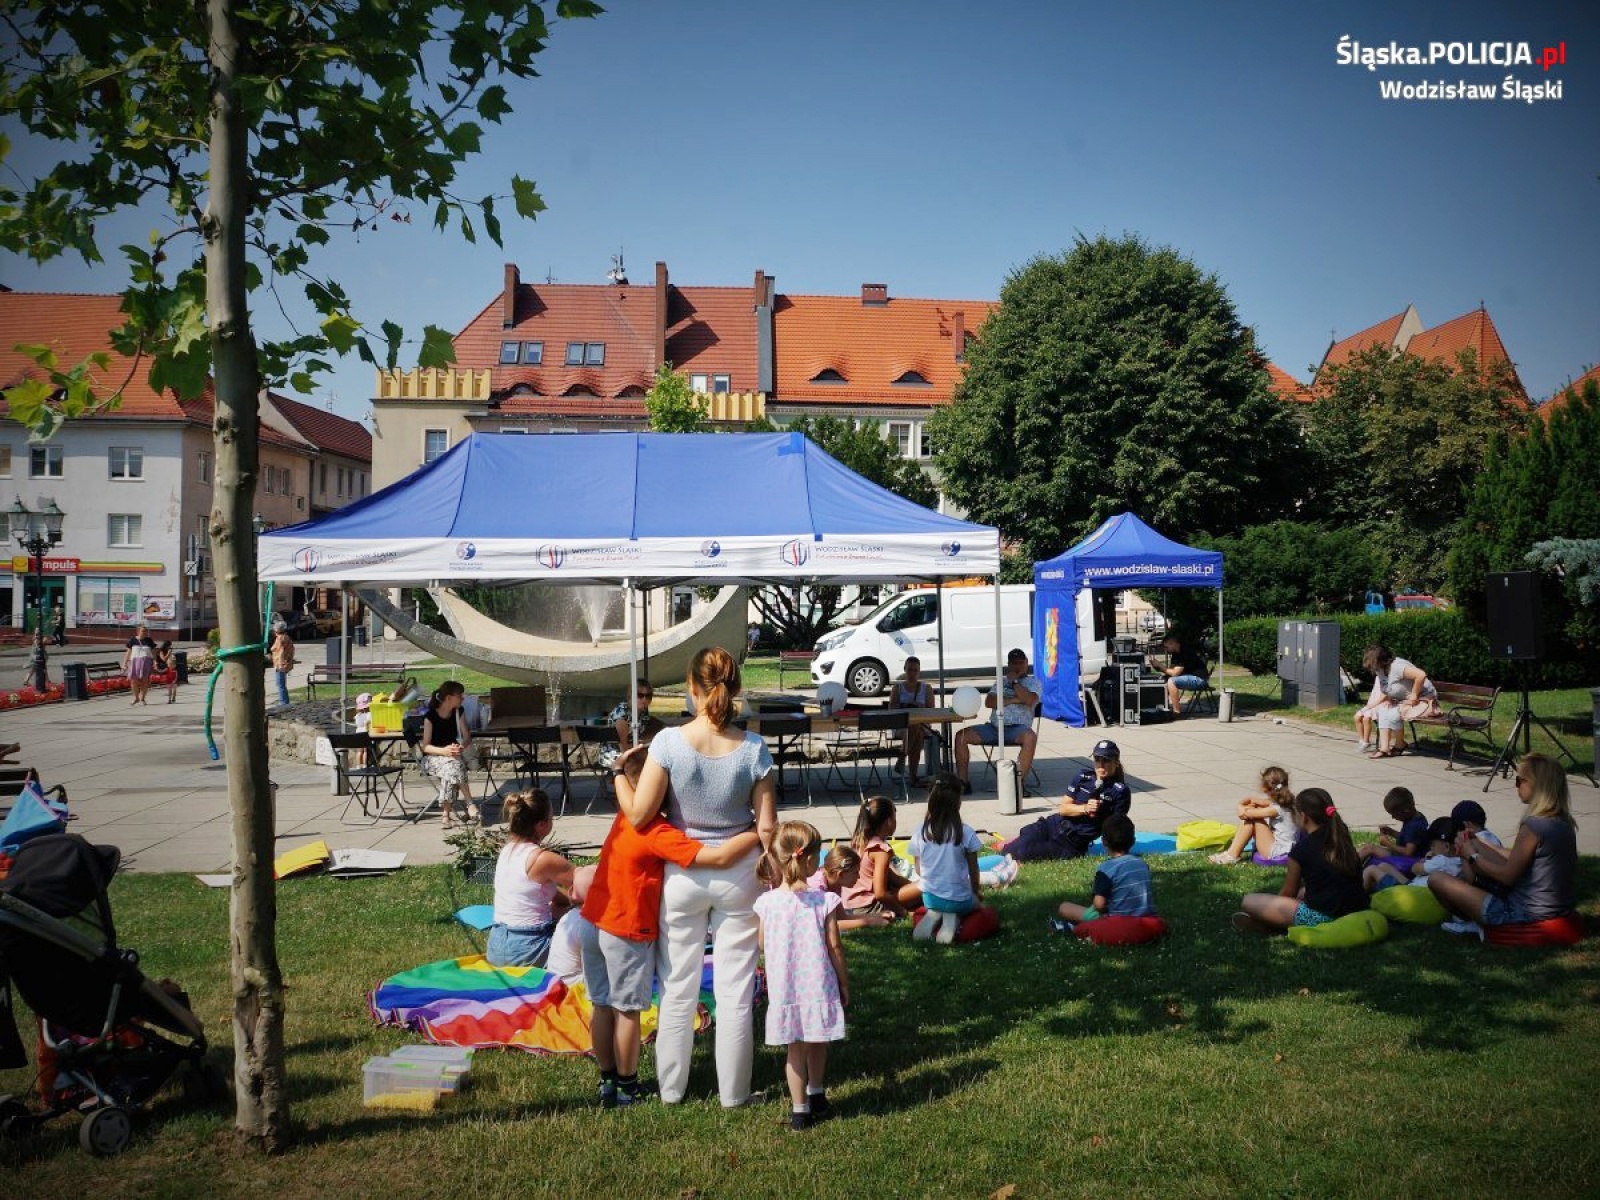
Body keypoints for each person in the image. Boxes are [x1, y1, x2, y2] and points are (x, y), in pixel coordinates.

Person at [613, 645, 777, 1108]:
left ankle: (670, 1090)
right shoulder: (754, 748)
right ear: (736, 688)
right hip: (738, 874)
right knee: (736, 989)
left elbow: (642, 816)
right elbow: (766, 827)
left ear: (691, 687)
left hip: (681, 872)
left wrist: (618, 778)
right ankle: (735, 1093)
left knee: (677, 986)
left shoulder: (666, 743)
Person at [577, 778, 762, 1109]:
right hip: (625, 928)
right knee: (627, 1011)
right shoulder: (658, 832)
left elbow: (625, 790)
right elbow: (717, 860)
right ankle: (627, 1087)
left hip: (592, 919)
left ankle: (607, 1080)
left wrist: (619, 770)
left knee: (601, 1005)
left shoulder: (626, 817)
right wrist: (752, 832)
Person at [754, 821, 849, 1131]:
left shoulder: (767, 903)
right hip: (819, 987)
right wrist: (844, 982)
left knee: (795, 1050)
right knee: (818, 1040)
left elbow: (761, 943)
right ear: (808, 860)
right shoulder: (824, 901)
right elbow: (834, 946)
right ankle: (817, 1092)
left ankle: (799, 1111)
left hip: (786, 989)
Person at [1429, 753, 1578, 929]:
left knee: (1436, 879)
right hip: (1553, 909)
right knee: (1474, 844)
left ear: (1538, 785)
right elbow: (1520, 858)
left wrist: (1472, 856)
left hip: (1522, 914)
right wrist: (1480, 844)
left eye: (1519, 781)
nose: (1516, 786)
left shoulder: (1533, 826)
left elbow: (1507, 877)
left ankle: (1470, 921)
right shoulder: (1562, 822)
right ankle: (1472, 912)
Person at [1232, 788, 1367, 934]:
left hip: (1324, 917)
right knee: (1303, 892)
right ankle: (1269, 924)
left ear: (1303, 817)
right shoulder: (1341, 836)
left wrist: (1272, 910)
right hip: (1357, 908)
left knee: (1249, 901)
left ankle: (1269, 926)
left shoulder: (1300, 850)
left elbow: (1288, 892)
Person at [1000, 739, 1131, 862]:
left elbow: (1116, 827)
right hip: (1053, 824)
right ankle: (1011, 847)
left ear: (1116, 762)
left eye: (1106, 760)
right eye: (1097, 759)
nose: (1101, 765)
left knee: (1021, 853)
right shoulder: (1083, 777)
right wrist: (1084, 808)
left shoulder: (1119, 791)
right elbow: (1063, 809)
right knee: (1024, 836)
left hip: (1072, 843)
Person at [485, 790, 574, 968]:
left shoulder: (508, 850)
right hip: (530, 949)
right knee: (585, 925)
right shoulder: (543, 859)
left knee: (558, 909)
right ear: (542, 825)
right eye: (551, 817)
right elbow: (590, 886)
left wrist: (569, 901)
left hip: (497, 945)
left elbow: (539, 893)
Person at [908, 773, 985, 944]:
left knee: (939, 904)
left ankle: (935, 915)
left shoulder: (920, 831)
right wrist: (976, 892)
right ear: (958, 802)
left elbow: (920, 870)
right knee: (975, 904)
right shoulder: (966, 832)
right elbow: (974, 870)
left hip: (930, 898)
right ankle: (953, 920)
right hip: (960, 899)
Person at [1049, 814, 1157, 933]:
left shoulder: (1106, 869)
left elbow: (1099, 905)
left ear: (1104, 842)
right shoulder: (1142, 864)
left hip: (1117, 923)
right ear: (1133, 841)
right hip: (1145, 920)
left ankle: (1075, 927)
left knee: (1064, 907)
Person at [954, 647, 1039, 795]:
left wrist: (1015, 683)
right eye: (1014, 663)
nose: (1018, 666)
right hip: (994, 727)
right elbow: (990, 701)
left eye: (1021, 662)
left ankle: (1018, 784)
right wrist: (1014, 699)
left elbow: (1029, 700)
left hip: (1018, 729)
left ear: (1026, 663)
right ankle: (963, 782)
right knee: (961, 736)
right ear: (1009, 665)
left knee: (1031, 737)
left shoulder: (1033, 682)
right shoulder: (1000, 681)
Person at [841, 795, 921, 920]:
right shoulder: (880, 850)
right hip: (867, 906)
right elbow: (880, 893)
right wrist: (903, 912)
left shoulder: (860, 841)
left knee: (919, 888)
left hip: (850, 904)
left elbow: (892, 878)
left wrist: (910, 885)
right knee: (929, 884)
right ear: (889, 821)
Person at [1353, 644, 1439, 758]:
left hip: (1424, 699)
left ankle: (1400, 745)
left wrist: (1414, 695)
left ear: (1381, 660)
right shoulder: (1380, 669)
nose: (1371, 667)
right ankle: (1384, 748)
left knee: (1394, 714)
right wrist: (1388, 697)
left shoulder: (1397, 666)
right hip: (1403, 700)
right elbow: (1388, 687)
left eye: (1372, 662)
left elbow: (1421, 675)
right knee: (1384, 710)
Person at [418, 680, 482, 828]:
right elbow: (425, 747)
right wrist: (444, 751)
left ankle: (446, 816)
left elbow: (467, 738)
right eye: (460, 695)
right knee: (455, 765)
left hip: (452, 758)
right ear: (449, 698)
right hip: (432, 758)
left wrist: (460, 747)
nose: (462, 698)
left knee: (451, 767)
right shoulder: (430, 717)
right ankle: (470, 803)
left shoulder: (458, 712)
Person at [1210, 765, 1296, 865]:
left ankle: (1232, 855)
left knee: (1254, 818)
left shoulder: (1275, 810)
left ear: (1264, 788)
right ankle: (1231, 853)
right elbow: (1254, 801)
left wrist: (1240, 806)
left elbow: (1246, 814)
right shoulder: (1286, 802)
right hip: (1286, 847)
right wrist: (1249, 804)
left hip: (1278, 851)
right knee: (1256, 812)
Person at [1364, 817, 1460, 892]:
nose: (1431, 848)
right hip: (1413, 886)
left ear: (1447, 847)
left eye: (1432, 845)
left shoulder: (1441, 861)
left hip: (1410, 892)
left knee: (1371, 870)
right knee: (1384, 866)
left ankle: (1358, 900)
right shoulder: (1458, 861)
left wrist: (1425, 859)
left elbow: (1415, 869)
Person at [809, 845, 892, 930]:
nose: (859, 877)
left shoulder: (835, 885)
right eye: (855, 872)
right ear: (841, 874)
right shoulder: (817, 889)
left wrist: (877, 915)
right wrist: (869, 922)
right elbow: (825, 926)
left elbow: (842, 917)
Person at [889, 656, 937, 787]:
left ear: (919, 671)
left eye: (915, 670)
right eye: (909, 670)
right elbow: (891, 708)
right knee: (917, 731)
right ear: (904, 670)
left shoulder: (926, 688)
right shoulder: (897, 688)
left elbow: (931, 710)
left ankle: (902, 757)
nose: (912, 673)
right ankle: (913, 777)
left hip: (922, 724)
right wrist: (906, 705)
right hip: (901, 726)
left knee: (916, 727)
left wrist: (920, 707)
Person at [1356, 787, 1429, 864]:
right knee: (1365, 847)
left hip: (1408, 861)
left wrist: (1388, 844)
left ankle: (1349, 869)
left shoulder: (1414, 826)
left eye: (1394, 814)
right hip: (1404, 857)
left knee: (1369, 849)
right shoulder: (1416, 817)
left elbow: (1408, 852)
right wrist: (1392, 832)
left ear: (1406, 811)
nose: (1393, 817)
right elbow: (1408, 838)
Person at [609, 678, 665, 752]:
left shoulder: (641, 711)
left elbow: (656, 723)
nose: (644, 699)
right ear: (630, 695)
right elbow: (624, 748)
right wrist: (644, 744)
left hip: (633, 750)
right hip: (616, 755)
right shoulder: (622, 717)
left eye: (648, 695)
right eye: (640, 695)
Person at [1160, 633, 1210, 713]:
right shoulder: (1175, 653)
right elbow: (1170, 671)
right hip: (1190, 677)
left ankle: (1176, 711)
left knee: (1172, 681)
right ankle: (1162, 706)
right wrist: (1158, 668)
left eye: (1166, 647)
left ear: (1172, 643)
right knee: (1164, 679)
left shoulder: (1185, 651)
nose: (1165, 649)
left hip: (1200, 680)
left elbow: (1175, 673)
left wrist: (1159, 665)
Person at [123, 622, 157, 706]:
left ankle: (142, 698)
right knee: (133, 681)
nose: (144, 632)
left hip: (146, 662)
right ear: (138, 631)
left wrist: (155, 662)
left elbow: (153, 652)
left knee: (145, 681)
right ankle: (136, 698)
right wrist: (124, 663)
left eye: (146, 631)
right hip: (134, 662)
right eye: (143, 631)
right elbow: (128, 652)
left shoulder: (149, 640)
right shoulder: (132, 640)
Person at [268, 624, 295, 708]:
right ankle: (285, 701)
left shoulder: (280, 639)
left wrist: (280, 664)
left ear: (276, 631)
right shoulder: (287, 637)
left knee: (280, 684)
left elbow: (280, 652)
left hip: (280, 665)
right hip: (285, 663)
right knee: (281, 684)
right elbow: (291, 649)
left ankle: (283, 702)